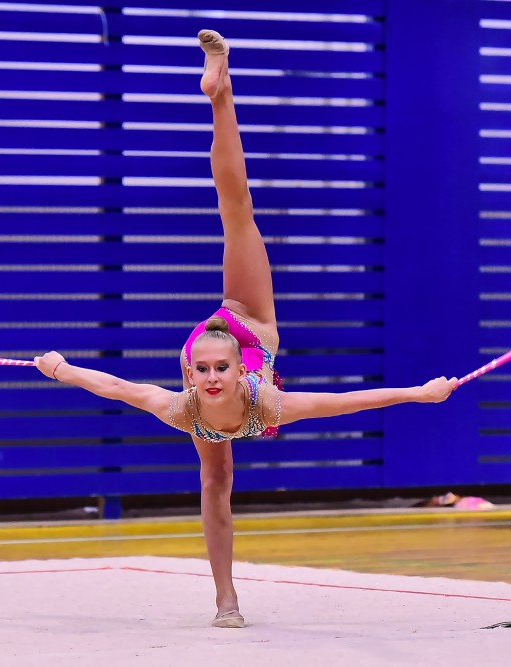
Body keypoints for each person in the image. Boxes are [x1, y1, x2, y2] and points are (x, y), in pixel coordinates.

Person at [34, 30, 457, 629]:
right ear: (192, 372)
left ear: (237, 371)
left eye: (219, 371)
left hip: (246, 321)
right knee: (215, 483)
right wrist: (63, 370)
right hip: (219, 344)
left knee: (236, 209)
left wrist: (419, 393)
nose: (211, 379)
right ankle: (225, 600)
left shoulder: (268, 400)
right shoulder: (186, 405)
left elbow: (347, 402)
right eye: (203, 372)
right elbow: (119, 388)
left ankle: (221, 92)